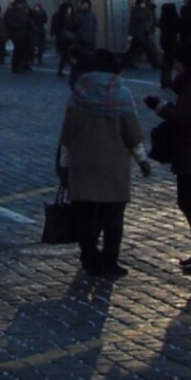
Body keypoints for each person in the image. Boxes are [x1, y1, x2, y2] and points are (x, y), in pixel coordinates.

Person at [58, 51, 147, 278]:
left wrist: (64, 166)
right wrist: (142, 160)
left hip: (83, 165)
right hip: (113, 167)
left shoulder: (78, 96)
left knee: (85, 218)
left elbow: (67, 136)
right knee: (113, 219)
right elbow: (133, 134)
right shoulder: (122, 94)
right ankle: (110, 262)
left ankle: (89, 259)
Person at [147, 44, 191, 274]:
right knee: (189, 200)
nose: (175, 66)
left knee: (190, 201)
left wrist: (159, 107)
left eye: (178, 62)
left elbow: (184, 118)